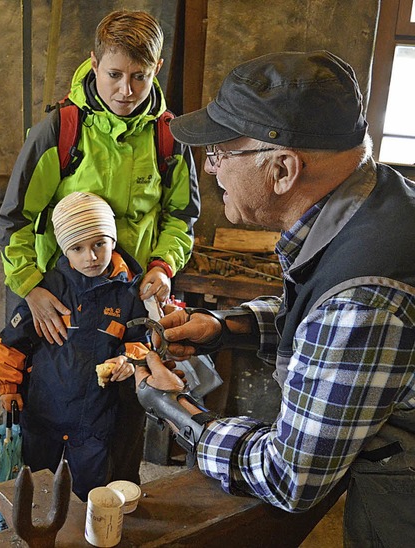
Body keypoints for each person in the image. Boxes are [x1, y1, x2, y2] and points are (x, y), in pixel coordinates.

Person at [133, 50, 415, 547]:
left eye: (220, 153)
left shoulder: (364, 302)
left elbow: (289, 478)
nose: (211, 170)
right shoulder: (381, 200)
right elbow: (318, 318)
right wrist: (223, 326)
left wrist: (179, 409)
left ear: (283, 169)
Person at [0, 8, 200, 344]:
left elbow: (181, 217)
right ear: (94, 64)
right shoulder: (61, 131)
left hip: (131, 296)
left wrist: (164, 267)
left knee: (125, 387)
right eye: (114, 74)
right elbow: (15, 218)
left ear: (157, 69)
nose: (126, 90)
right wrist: (30, 287)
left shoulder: (168, 138)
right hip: (61, 300)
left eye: (140, 76)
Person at [0, 191, 150, 500]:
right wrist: (9, 388)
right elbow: (12, 343)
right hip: (42, 411)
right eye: (77, 248)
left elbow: (141, 342)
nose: (90, 257)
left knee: (89, 494)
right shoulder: (47, 290)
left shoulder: (128, 294)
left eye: (99, 244)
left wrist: (128, 361)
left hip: (95, 417)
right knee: (35, 488)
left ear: (113, 240)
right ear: (65, 250)